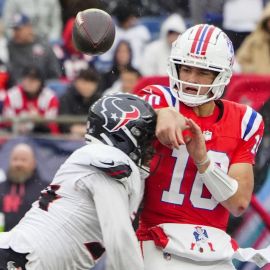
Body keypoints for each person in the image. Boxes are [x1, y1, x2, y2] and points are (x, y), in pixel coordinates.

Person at [135, 24, 267, 269]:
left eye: (203, 72)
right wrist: (157, 114)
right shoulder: (159, 98)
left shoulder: (245, 121)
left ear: (222, 75)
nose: (191, 80)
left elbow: (238, 203)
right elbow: (113, 115)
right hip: (158, 242)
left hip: (215, 249)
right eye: (186, 69)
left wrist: (204, 163)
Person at [0, 93, 157, 270]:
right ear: (123, 133)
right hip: (19, 259)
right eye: (145, 139)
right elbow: (119, 239)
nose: (150, 148)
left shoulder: (97, 159)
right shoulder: (108, 159)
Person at [0, 143, 46, 232]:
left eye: (23, 160)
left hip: (32, 242)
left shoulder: (45, 190)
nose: (18, 163)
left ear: (33, 163)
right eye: (15, 159)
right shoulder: (1, 187)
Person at [7, 13, 61, 85]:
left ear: (29, 27)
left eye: (18, 29)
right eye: (14, 29)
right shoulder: (10, 46)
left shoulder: (44, 45)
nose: (15, 33)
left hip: (43, 88)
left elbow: (55, 73)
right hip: (18, 88)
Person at [2, 66, 59, 134]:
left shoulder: (50, 97)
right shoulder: (12, 95)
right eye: (27, 79)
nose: (29, 83)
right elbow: (7, 123)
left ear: (40, 82)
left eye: (34, 80)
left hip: (41, 136)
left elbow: (52, 127)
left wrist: (39, 119)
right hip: (16, 136)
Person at [59, 68, 101, 137]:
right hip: (69, 139)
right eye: (84, 82)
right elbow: (64, 123)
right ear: (76, 82)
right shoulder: (66, 98)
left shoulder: (99, 100)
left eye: (91, 83)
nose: (87, 86)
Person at [236, 3, 270, 74]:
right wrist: (255, 70)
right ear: (265, 21)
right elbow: (240, 61)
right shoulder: (254, 39)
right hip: (258, 82)